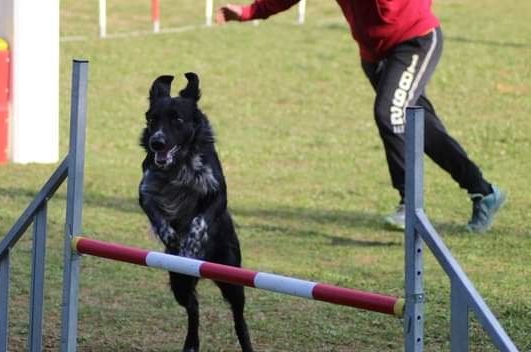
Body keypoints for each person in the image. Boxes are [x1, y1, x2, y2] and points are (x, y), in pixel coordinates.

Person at [216, 0, 507, 233]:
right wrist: (248, 12)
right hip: (374, 54)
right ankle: (483, 191)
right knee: (420, 127)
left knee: (390, 113)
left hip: (415, 39)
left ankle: (410, 203)